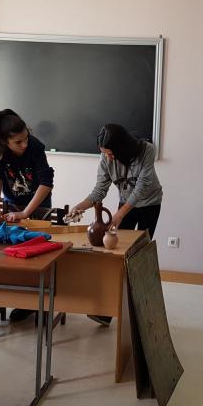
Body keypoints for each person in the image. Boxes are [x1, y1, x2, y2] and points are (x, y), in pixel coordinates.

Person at [67, 124, 163, 326]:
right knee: (117, 255)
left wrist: (119, 214)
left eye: (110, 154)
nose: (108, 158)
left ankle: (140, 311)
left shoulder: (146, 150)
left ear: (122, 148)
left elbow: (142, 187)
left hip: (150, 204)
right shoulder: (106, 159)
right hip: (125, 204)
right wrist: (79, 207)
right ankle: (107, 312)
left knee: (140, 255)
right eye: (104, 154)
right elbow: (99, 191)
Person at [0, 109, 55, 321]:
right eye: (18, 142)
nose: (24, 144)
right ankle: (18, 299)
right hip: (13, 203)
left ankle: (35, 303)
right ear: (4, 142)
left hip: (38, 206)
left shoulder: (35, 147)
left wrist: (26, 212)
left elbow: (46, 183)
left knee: (36, 256)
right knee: (12, 254)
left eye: (26, 138)